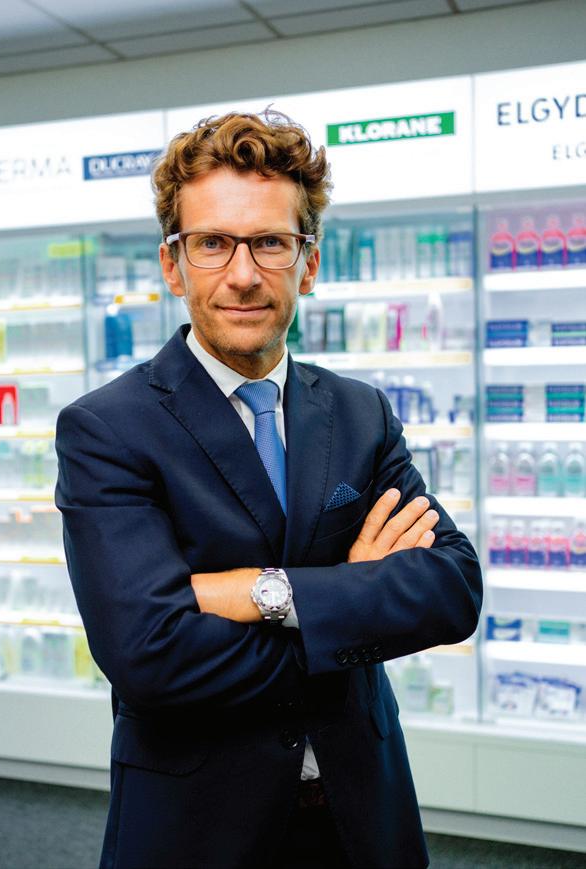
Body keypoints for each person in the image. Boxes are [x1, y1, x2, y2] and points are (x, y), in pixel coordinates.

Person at [55, 110, 482, 869]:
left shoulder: (359, 412)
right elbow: (150, 655)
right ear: (173, 265)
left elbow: (452, 588)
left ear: (307, 263)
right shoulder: (108, 429)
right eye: (212, 243)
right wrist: (353, 597)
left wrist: (265, 592)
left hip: (362, 815)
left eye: (270, 243)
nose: (244, 273)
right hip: (199, 829)